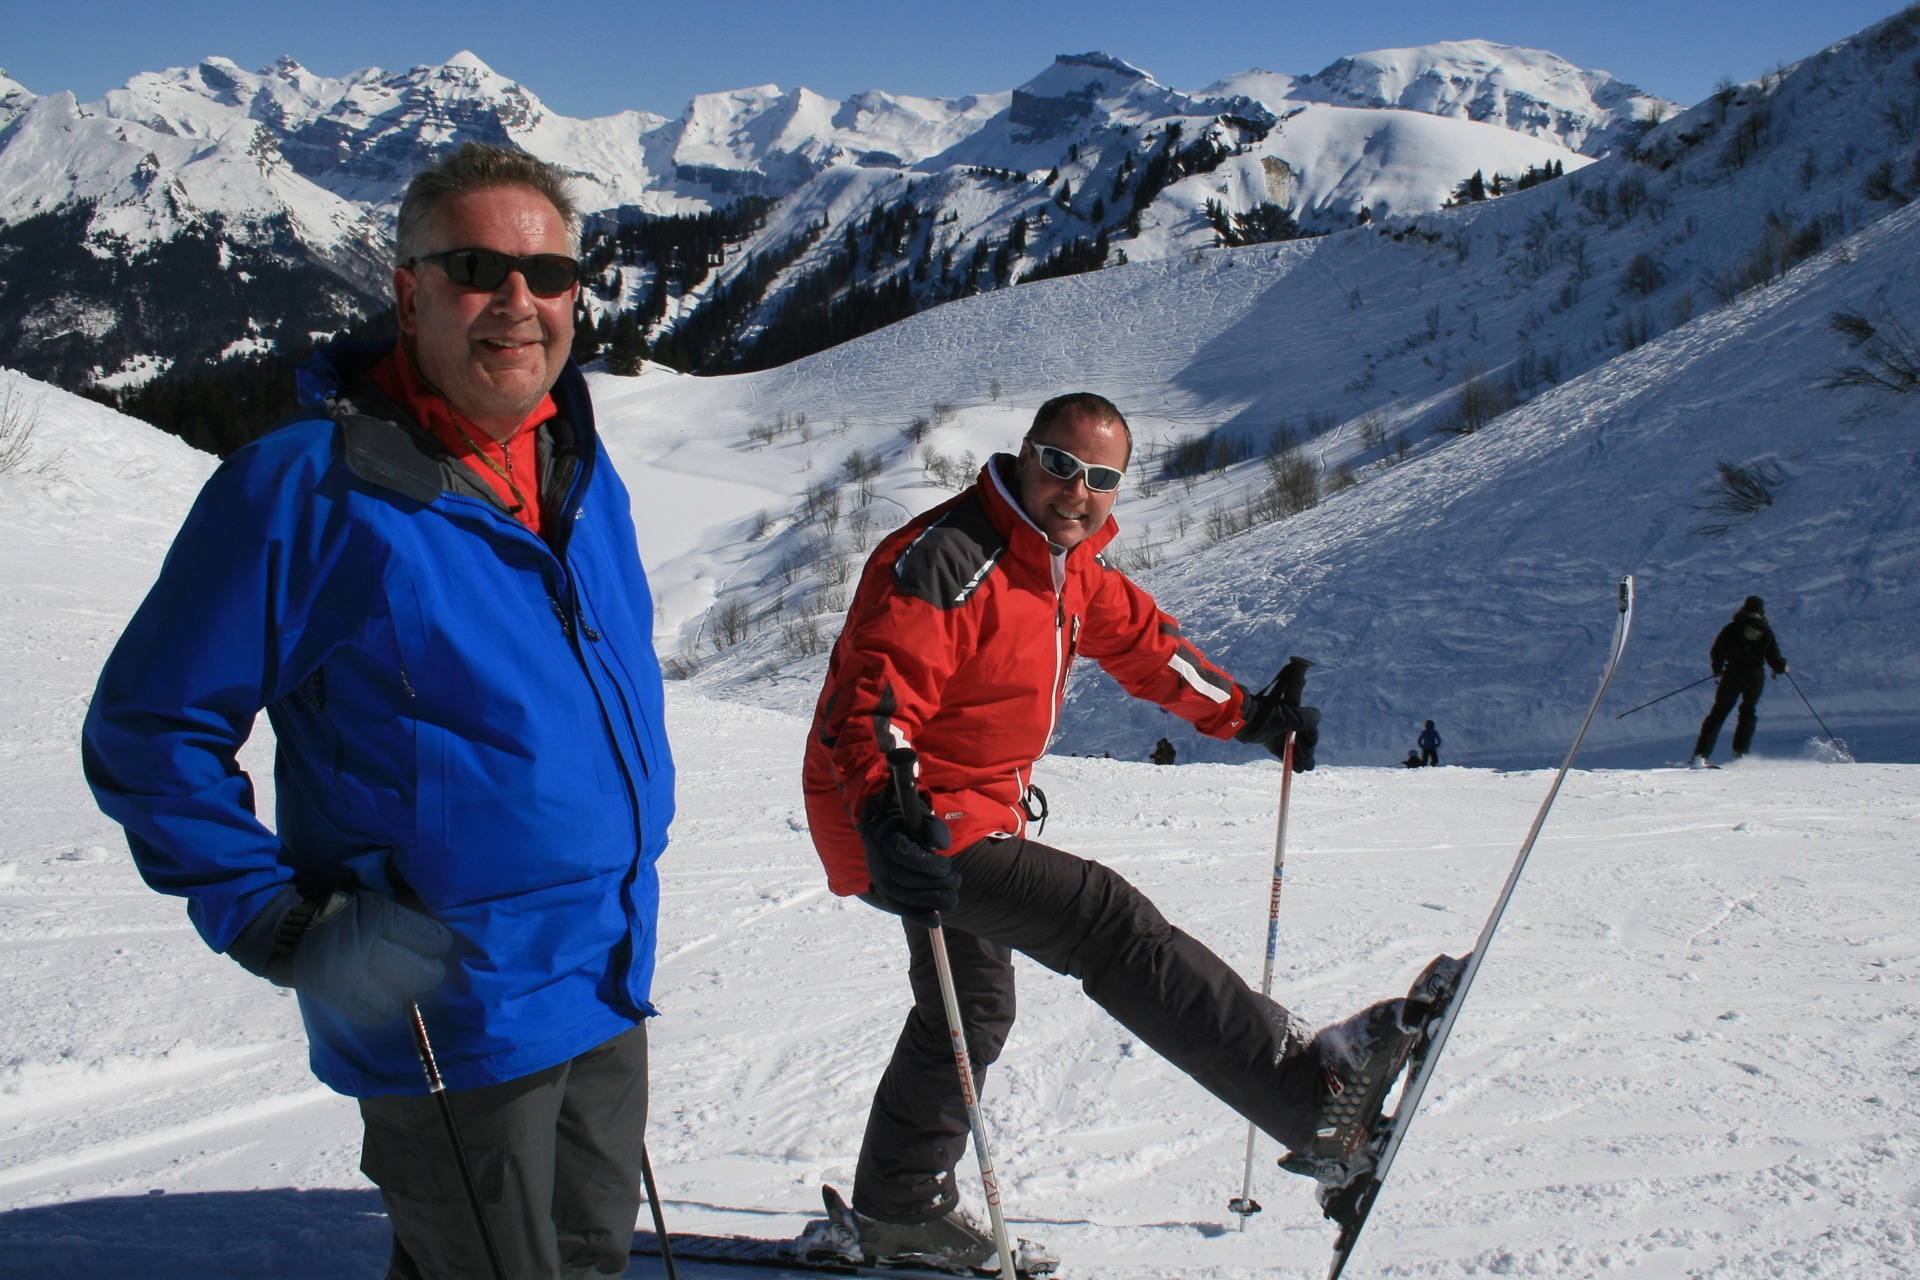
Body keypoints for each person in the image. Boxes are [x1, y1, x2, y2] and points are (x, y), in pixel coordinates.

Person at [82, 143, 674, 1280]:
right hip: (447, 997)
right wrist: (274, 917)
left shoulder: (578, 470)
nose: (520, 301)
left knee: (593, 1261)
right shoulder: (307, 488)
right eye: (478, 269)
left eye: (549, 274)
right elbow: (149, 727)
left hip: (601, 967)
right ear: (409, 293)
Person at [801, 392, 1433, 1268]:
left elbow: (1148, 649)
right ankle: (1312, 1100)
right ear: (1026, 455)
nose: (1077, 490)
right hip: (899, 815)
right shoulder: (950, 556)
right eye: (1061, 465)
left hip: (957, 815)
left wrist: (1249, 716)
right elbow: (874, 695)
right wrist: (883, 809)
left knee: (972, 1008)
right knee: (1103, 921)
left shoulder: (1069, 569)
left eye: (1100, 477)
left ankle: (898, 1209)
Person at [1691, 595, 1789, 766]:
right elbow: (1774, 657)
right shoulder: (1766, 631)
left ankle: (1701, 755)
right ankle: (1740, 753)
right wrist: (1782, 667)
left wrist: (1717, 670)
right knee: (1748, 713)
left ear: (1744, 608)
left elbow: (1717, 651)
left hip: (1732, 675)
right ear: (1761, 611)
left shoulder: (1731, 628)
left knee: (1718, 713)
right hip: (1755, 677)